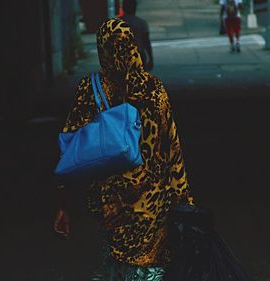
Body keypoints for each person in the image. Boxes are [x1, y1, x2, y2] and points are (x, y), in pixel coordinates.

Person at [53, 18, 192, 280]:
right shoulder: (154, 90)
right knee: (151, 268)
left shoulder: (89, 90)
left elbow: (71, 151)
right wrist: (184, 200)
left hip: (111, 205)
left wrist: (64, 203)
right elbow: (173, 150)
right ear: (133, 47)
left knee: (117, 264)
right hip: (153, 204)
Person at [121, 0, 154, 71]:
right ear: (135, 8)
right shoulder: (141, 23)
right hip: (139, 56)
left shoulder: (117, 23)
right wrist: (151, 59)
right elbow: (146, 42)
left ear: (123, 8)